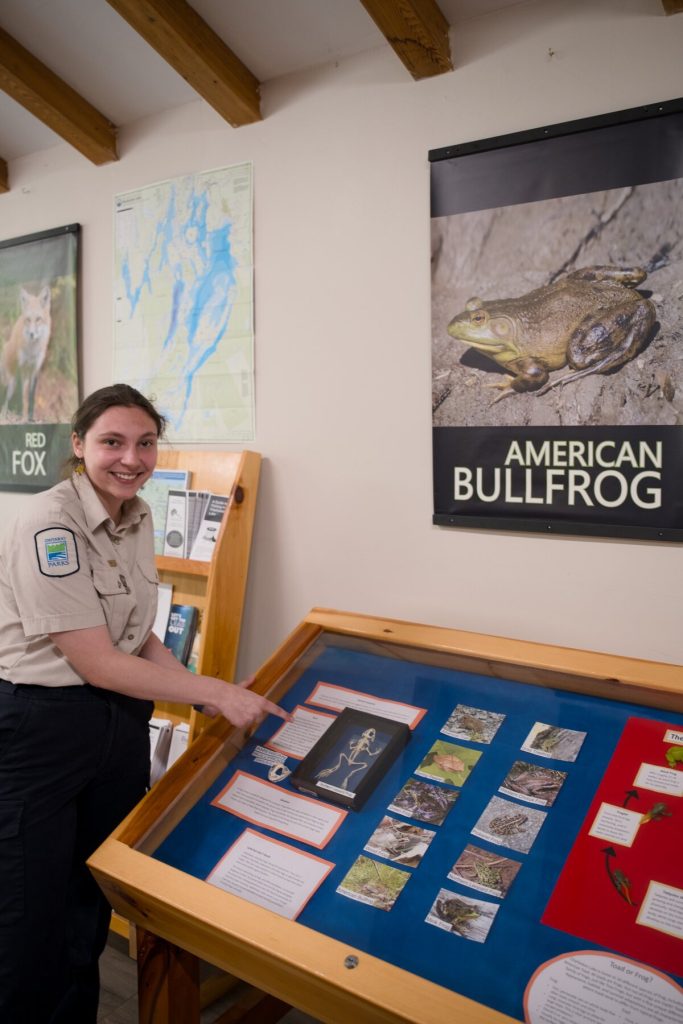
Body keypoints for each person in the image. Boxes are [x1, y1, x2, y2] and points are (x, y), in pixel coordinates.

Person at [0, 383, 287, 1024]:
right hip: (42, 730)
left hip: (117, 723)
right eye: (112, 442)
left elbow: (136, 635)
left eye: (146, 443)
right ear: (79, 446)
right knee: (26, 917)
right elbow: (97, 661)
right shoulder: (50, 524)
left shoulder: (137, 514)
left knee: (87, 902)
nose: (131, 458)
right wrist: (213, 692)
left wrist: (203, 694)